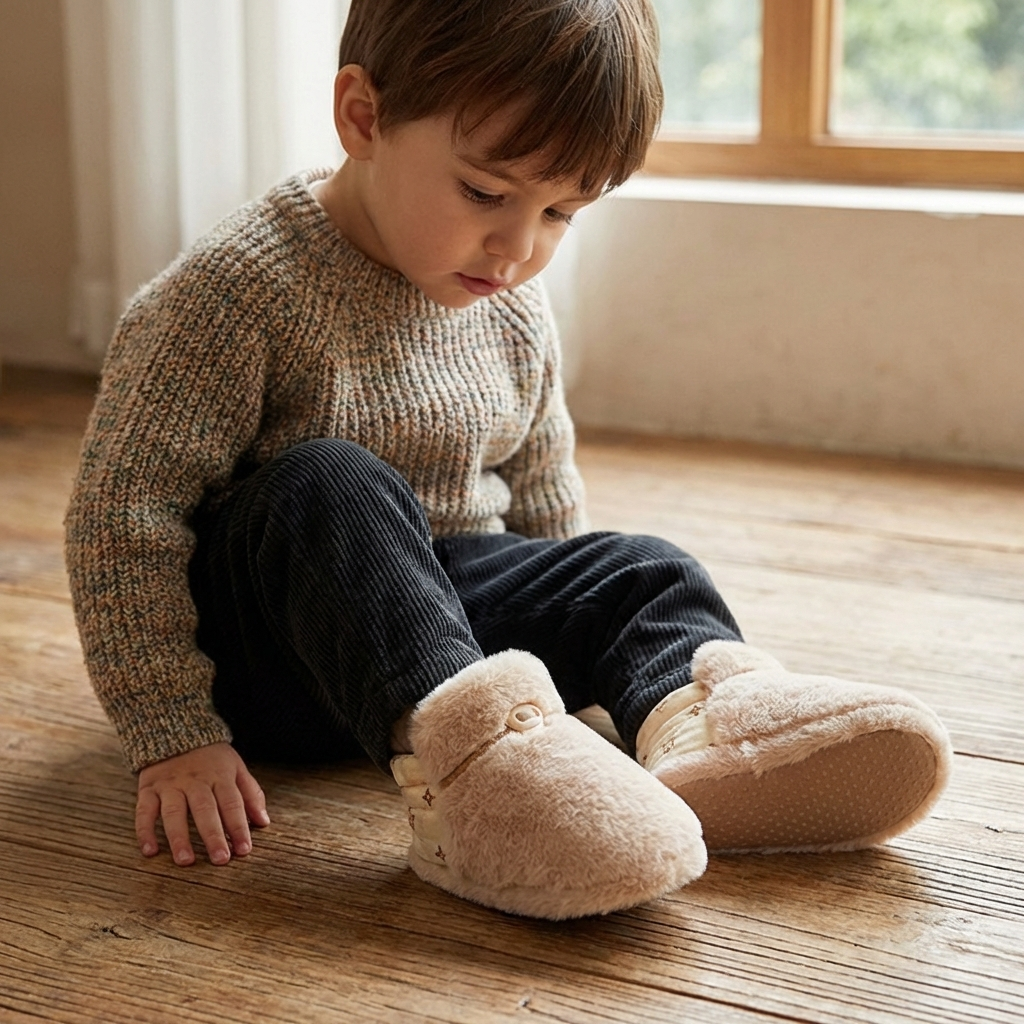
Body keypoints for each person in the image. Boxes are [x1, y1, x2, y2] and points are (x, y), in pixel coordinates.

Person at [65, 0, 952, 921]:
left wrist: (568, 640)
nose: (517, 247)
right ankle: (476, 785)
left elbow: (542, 495)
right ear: (363, 118)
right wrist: (174, 733)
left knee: (641, 564)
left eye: (561, 211)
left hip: (444, 637)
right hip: (278, 651)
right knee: (331, 478)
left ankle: (703, 737)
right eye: (486, 194)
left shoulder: (513, 305)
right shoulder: (235, 291)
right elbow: (121, 516)